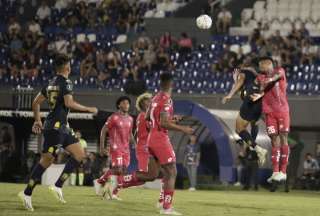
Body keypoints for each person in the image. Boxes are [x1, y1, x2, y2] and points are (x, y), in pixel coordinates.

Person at [100, 73, 193, 215]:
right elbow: (162, 122)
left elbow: (151, 120)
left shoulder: (155, 99)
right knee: (171, 171)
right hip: (160, 139)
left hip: (150, 140)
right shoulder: (166, 100)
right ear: (171, 84)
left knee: (152, 174)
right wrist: (183, 129)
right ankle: (166, 207)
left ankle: (118, 183)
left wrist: (171, 119)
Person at [18, 54, 98, 211]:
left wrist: (37, 120)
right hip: (54, 128)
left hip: (62, 127)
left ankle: (57, 185)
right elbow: (69, 103)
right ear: (67, 66)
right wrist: (89, 109)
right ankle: (26, 193)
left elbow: (35, 103)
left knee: (80, 155)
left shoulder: (50, 83)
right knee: (46, 161)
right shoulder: (66, 83)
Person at [255, 57, 290, 183]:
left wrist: (269, 79)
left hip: (282, 110)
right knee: (274, 139)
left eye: (261, 65)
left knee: (283, 137)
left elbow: (276, 77)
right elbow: (261, 87)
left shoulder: (280, 71)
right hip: (269, 114)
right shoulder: (260, 77)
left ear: (268, 64)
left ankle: (283, 172)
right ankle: (275, 172)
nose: (259, 68)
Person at [222, 67, 267, 166]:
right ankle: (252, 145)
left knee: (239, 129)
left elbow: (240, 83)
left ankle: (257, 148)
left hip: (250, 104)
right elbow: (242, 92)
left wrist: (230, 94)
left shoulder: (243, 73)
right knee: (252, 123)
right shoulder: (252, 78)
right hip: (258, 106)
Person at [94, 96, 134, 200]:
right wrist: (102, 147)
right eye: (124, 103)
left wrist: (135, 144)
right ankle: (99, 182)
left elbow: (130, 134)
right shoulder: (113, 117)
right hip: (116, 147)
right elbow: (103, 131)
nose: (126, 105)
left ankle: (114, 193)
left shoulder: (130, 119)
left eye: (128, 103)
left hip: (126, 149)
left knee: (123, 170)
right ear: (119, 105)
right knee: (118, 169)